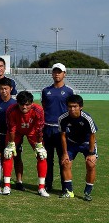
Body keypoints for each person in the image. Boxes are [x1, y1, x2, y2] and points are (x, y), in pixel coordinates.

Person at [3, 91, 48, 197]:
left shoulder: (38, 110)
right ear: (17, 103)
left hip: (33, 132)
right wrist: (11, 144)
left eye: (27, 104)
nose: (24, 107)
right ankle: (6, 185)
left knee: (41, 155)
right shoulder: (11, 110)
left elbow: (39, 128)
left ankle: (41, 187)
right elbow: (11, 128)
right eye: (22, 104)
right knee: (8, 154)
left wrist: (39, 145)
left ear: (32, 103)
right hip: (16, 132)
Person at [41, 63, 74, 193]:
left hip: (62, 130)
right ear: (52, 74)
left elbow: (71, 110)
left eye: (59, 72)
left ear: (64, 74)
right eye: (55, 72)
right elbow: (44, 107)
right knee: (47, 159)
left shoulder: (69, 91)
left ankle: (65, 186)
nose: (57, 74)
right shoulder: (45, 91)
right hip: (47, 128)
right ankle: (47, 184)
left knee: (63, 158)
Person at [58, 94, 97, 201]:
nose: (72, 109)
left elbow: (93, 135)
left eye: (75, 106)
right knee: (65, 162)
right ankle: (69, 191)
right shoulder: (62, 118)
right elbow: (63, 136)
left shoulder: (87, 118)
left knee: (90, 164)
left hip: (87, 143)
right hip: (72, 143)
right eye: (70, 106)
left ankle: (87, 192)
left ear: (81, 107)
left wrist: (91, 153)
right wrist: (65, 153)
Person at [0, 77, 21, 190]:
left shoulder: (16, 102)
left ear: (11, 89)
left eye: (6, 88)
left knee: (16, 157)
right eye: (1, 89)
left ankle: (18, 181)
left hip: (13, 136)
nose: (4, 91)